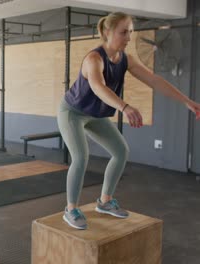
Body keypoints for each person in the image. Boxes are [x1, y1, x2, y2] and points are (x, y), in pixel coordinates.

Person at [58, 12, 200, 230]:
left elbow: (155, 80)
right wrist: (124, 107)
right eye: (124, 32)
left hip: (95, 115)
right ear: (108, 32)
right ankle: (70, 209)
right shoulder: (94, 59)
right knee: (80, 155)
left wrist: (187, 101)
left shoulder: (126, 60)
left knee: (121, 151)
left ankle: (105, 202)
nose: (129, 37)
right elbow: (98, 88)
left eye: (131, 32)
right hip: (73, 113)